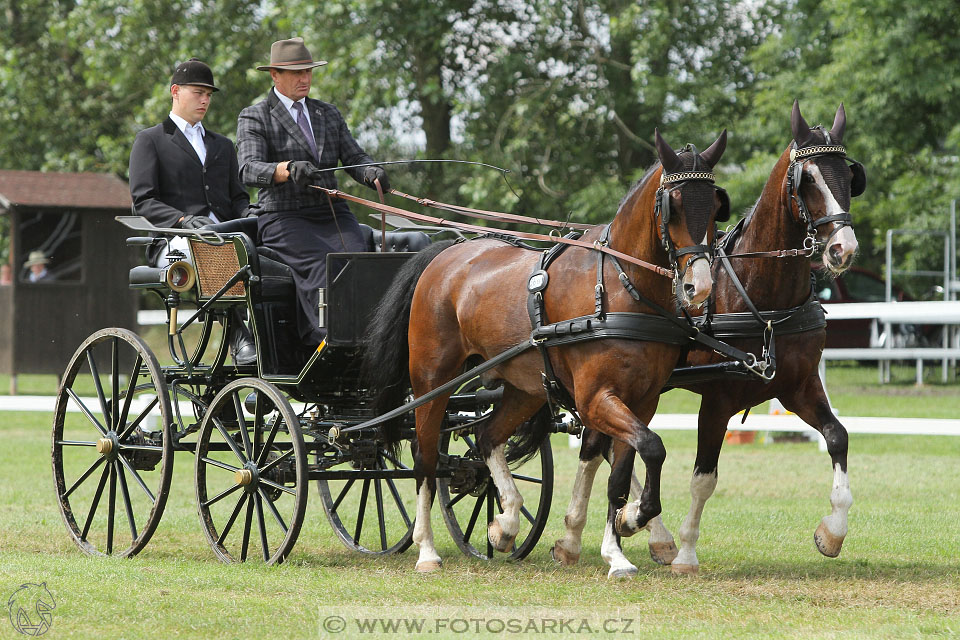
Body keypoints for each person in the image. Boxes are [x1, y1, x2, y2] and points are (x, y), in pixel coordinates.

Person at [236, 37, 390, 346]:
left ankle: (367, 339)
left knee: (358, 262)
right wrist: (287, 168)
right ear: (274, 75)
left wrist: (370, 172)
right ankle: (324, 341)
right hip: (283, 217)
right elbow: (248, 168)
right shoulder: (255, 116)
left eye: (308, 71)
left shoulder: (327, 114)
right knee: (325, 264)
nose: (305, 79)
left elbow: (354, 157)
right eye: (296, 73)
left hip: (331, 212)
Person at [129, 57, 256, 365]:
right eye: (198, 92)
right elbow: (143, 201)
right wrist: (184, 219)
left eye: (209, 95)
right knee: (214, 252)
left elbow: (238, 198)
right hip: (175, 242)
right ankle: (240, 336)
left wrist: (253, 215)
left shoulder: (222, 145)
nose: (205, 99)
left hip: (226, 236)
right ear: (176, 91)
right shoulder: (151, 140)